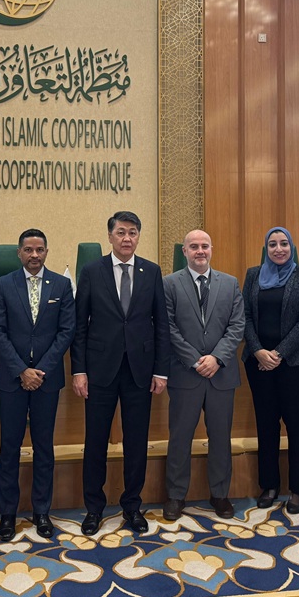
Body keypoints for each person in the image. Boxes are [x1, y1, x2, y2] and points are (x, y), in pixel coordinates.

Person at [71, 210, 171, 535]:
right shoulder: (92, 271)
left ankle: (132, 506)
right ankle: (93, 508)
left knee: (137, 442)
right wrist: (79, 370)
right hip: (100, 370)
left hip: (140, 370)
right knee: (96, 441)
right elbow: (79, 326)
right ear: (110, 236)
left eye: (132, 233)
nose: (127, 238)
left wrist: (161, 370)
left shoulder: (151, 271)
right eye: (121, 232)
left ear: (138, 237)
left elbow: (161, 325)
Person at [0, 229, 75, 540]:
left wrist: (40, 371)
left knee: (44, 448)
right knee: (9, 449)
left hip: (46, 381)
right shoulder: (3, 284)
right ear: (19, 253)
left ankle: (42, 512)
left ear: (47, 252)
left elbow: (66, 331)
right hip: (13, 381)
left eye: (39, 250)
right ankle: (8, 514)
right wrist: (21, 370)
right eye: (28, 250)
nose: (34, 255)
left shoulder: (61, 285)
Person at [162, 229, 245, 521]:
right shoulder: (169, 283)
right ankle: (175, 495)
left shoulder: (230, 283)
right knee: (180, 437)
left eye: (205, 246)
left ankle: (220, 494)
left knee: (221, 437)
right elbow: (168, 327)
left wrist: (217, 358)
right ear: (184, 251)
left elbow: (237, 325)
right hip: (186, 374)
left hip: (221, 375)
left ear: (212, 250)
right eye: (194, 246)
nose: (200, 251)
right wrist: (195, 360)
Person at [242, 227, 299, 515]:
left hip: (296, 364)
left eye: (284, 243)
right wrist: (259, 351)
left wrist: (278, 353)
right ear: (266, 248)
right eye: (273, 244)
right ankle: (269, 485)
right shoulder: (253, 275)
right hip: (258, 363)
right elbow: (244, 316)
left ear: (291, 247)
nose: (278, 249)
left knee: (297, 425)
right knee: (266, 424)